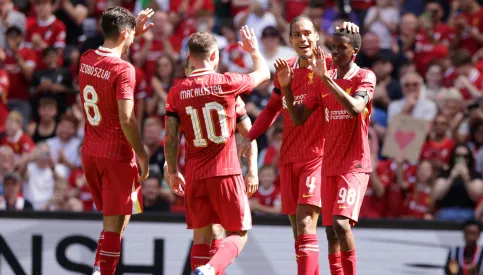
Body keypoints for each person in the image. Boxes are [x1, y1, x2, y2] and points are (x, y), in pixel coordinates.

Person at [241, 16, 359, 275]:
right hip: (289, 157)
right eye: (297, 35)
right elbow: (272, 109)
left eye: (308, 33)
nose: (303, 39)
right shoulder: (286, 71)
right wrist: (249, 136)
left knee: (306, 225)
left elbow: (354, 65)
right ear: (291, 39)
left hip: (319, 157)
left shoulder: (330, 65)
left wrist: (350, 32)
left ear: (317, 36)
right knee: (298, 234)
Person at [164, 27, 269, 275]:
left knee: (202, 237)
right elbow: (264, 73)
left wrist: (172, 170)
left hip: (195, 175)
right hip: (225, 171)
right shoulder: (227, 84)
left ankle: (204, 268)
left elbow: (170, 137)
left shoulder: (176, 92)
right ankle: (211, 268)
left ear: (190, 56)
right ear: (214, 56)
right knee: (239, 233)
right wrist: (253, 50)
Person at [279, 27, 376, 275]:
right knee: (331, 232)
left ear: (354, 51)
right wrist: (287, 87)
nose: (335, 51)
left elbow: (355, 107)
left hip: (354, 164)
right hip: (328, 165)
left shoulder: (364, 76)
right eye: (333, 46)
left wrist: (327, 80)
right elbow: (298, 118)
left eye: (341, 48)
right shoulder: (323, 79)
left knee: (341, 224)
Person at [77, 7, 154, 275]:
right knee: (115, 225)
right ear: (124, 34)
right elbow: (128, 118)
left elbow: (111, 65)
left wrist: (134, 33)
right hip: (117, 154)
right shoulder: (125, 70)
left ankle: (100, 267)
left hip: (91, 151)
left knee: (116, 221)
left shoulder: (86, 58)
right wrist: (142, 154)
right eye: (131, 34)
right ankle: (102, 271)